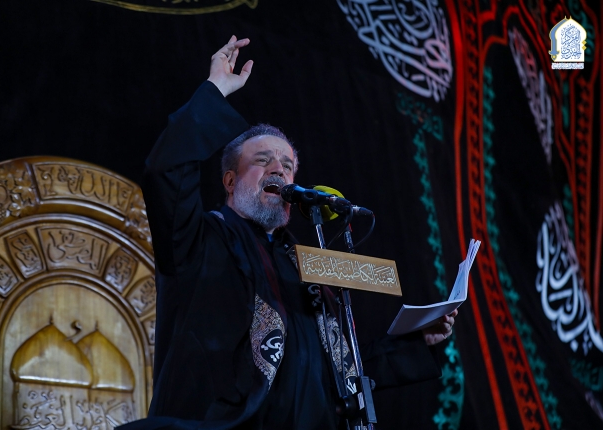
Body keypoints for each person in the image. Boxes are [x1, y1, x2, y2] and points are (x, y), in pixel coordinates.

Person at [120, 36, 457, 430]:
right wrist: (215, 90)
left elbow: (338, 371)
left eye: (288, 165)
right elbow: (166, 172)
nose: (278, 170)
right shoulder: (200, 238)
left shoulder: (305, 265)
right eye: (262, 161)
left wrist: (417, 343)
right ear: (230, 180)